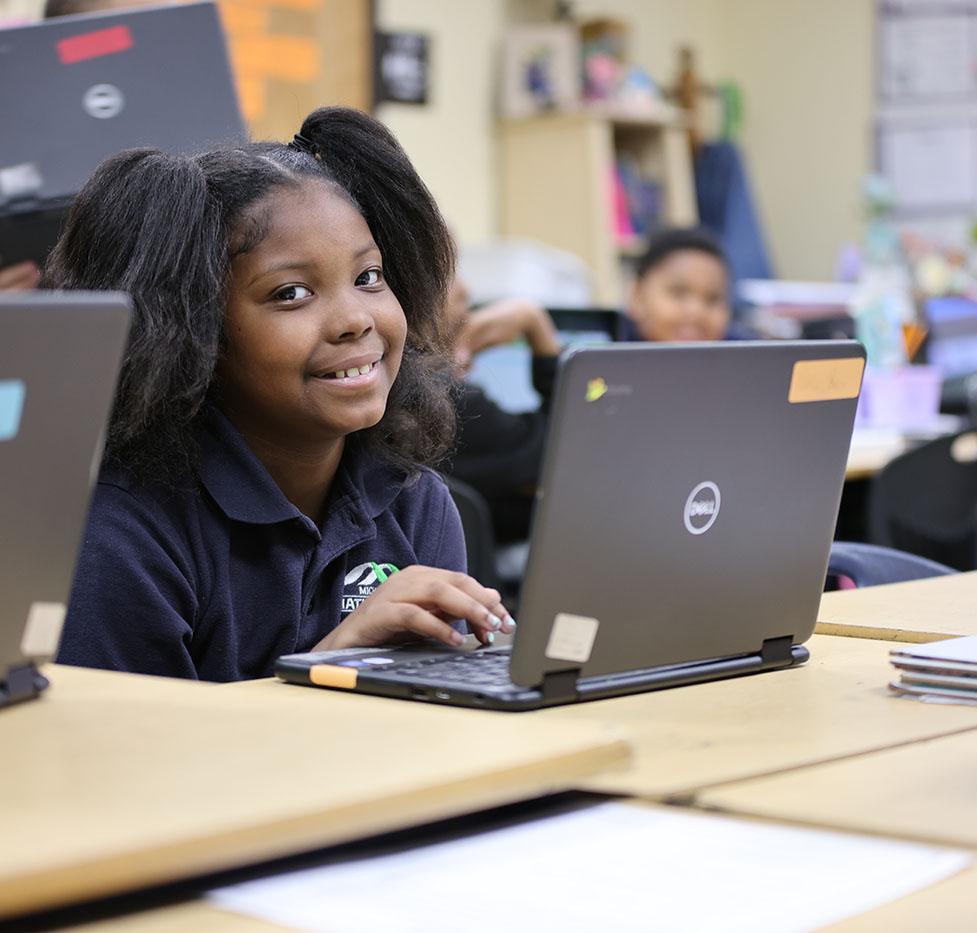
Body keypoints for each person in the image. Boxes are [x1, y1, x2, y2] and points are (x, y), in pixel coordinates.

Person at [44, 107, 513, 681]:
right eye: (292, 293)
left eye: (369, 277)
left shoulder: (413, 503)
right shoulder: (118, 533)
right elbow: (134, 762)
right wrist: (334, 662)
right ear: (194, 333)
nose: (354, 320)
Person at [442, 279, 561, 545]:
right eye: (448, 271)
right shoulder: (450, 405)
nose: (465, 290)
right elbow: (565, 452)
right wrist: (537, 327)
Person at [626, 226, 732, 343]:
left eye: (713, 299)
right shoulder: (609, 352)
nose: (696, 311)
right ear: (637, 296)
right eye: (678, 293)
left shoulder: (744, 355)